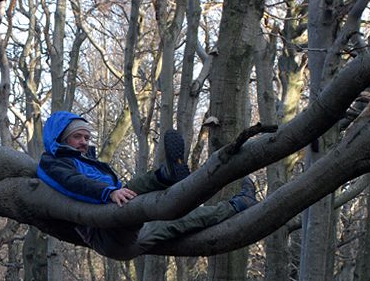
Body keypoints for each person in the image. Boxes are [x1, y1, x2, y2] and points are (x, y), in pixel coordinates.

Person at [37, 111, 257, 260]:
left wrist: (113, 191)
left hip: (115, 219)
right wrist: (108, 192)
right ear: (61, 138)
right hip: (106, 235)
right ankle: (237, 204)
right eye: (78, 137)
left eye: (87, 137)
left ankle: (167, 175)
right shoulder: (53, 163)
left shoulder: (87, 162)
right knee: (170, 213)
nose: (85, 142)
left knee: (145, 194)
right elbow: (72, 184)